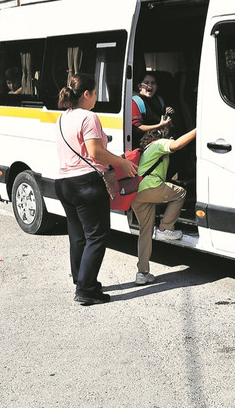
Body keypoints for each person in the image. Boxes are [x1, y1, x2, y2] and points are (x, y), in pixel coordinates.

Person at [55, 73, 138, 305]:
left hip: (64, 183)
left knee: (78, 235)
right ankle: (86, 289)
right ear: (86, 94)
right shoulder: (89, 117)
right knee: (97, 236)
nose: (96, 99)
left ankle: (81, 279)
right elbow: (95, 152)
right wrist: (122, 162)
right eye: (94, 94)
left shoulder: (63, 118)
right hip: (86, 184)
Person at [131, 126, 196, 285]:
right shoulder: (159, 144)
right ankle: (165, 228)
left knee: (145, 232)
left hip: (136, 194)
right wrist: (198, 129)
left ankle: (142, 273)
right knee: (180, 193)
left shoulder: (146, 148)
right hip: (150, 187)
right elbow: (177, 145)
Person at [131, 73, 174, 147]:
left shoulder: (159, 100)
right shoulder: (135, 102)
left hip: (160, 139)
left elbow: (165, 120)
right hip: (144, 143)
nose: (150, 86)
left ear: (156, 87)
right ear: (140, 87)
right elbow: (138, 128)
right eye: (146, 83)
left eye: (153, 83)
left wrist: (168, 114)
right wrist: (159, 125)